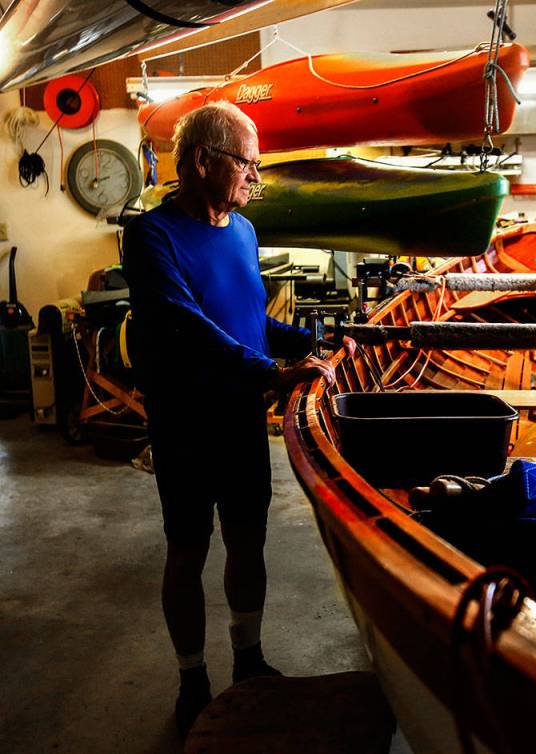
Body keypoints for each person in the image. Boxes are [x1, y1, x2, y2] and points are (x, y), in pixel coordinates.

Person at [123, 102, 336, 737]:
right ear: (201, 161)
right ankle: (192, 679)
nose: (255, 175)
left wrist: (309, 343)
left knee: (248, 541)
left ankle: (248, 660)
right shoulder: (150, 236)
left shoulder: (242, 230)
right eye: (247, 162)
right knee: (187, 549)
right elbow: (186, 326)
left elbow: (246, 318)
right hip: (186, 426)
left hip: (241, 421)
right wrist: (272, 373)